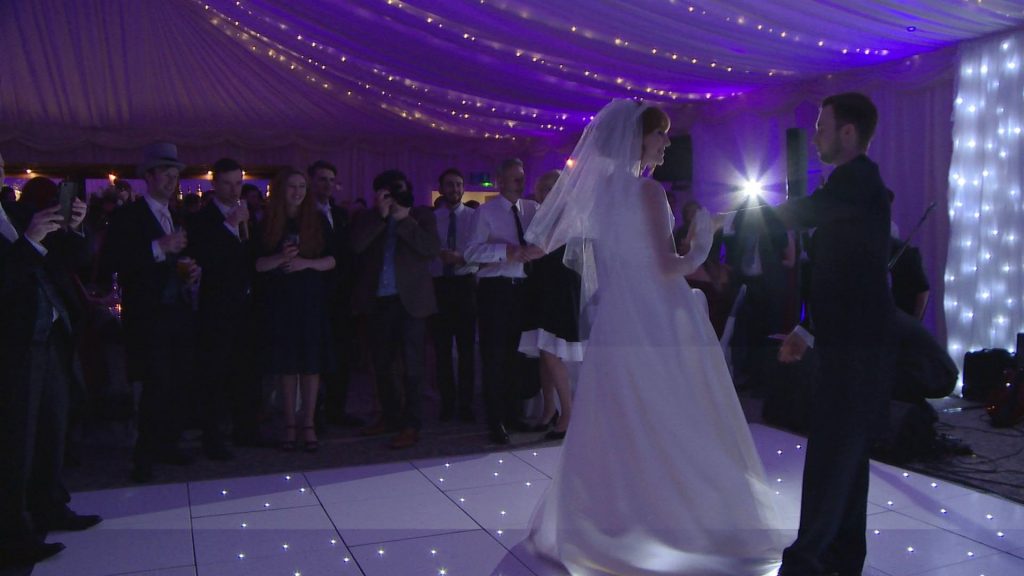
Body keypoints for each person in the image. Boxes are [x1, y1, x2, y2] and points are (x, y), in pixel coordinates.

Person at [521, 100, 783, 575]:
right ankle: (677, 516)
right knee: (675, 411)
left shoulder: (601, 192)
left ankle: (614, 516)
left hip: (617, 318)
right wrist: (703, 238)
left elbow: (561, 246)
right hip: (655, 316)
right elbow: (668, 266)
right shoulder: (647, 191)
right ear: (637, 139)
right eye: (659, 134)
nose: (666, 142)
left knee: (621, 414)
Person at [771, 92, 896, 576]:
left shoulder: (855, 180)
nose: (816, 136)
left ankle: (807, 563)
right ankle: (841, 560)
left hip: (856, 347)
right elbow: (840, 274)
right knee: (846, 457)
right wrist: (807, 329)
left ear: (848, 132)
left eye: (822, 127)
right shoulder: (856, 185)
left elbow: (805, 212)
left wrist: (736, 217)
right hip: (855, 341)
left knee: (832, 456)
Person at [0, 156, 101, 567]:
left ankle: (50, 507)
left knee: (51, 428)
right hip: (13, 343)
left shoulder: (15, 210)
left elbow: (65, 260)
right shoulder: (20, 221)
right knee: (15, 440)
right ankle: (12, 534)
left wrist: (74, 227)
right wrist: (30, 242)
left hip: (49, 334)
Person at [102, 142, 201, 483]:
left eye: (175, 175)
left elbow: (176, 260)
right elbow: (114, 261)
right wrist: (157, 247)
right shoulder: (128, 216)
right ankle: (143, 456)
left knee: (177, 381)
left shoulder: (177, 214)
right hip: (148, 314)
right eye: (165, 174)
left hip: (177, 310)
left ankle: (167, 443)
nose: (172, 181)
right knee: (154, 384)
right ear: (149, 176)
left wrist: (189, 270)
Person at [351, 170, 440, 449]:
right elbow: (356, 247)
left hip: (411, 302)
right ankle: (389, 417)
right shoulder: (368, 217)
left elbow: (430, 249)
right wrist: (381, 216)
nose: (395, 196)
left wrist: (404, 219)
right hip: (378, 301)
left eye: (399, 190)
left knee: (412, 365)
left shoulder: (421, 216)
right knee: (382, 364)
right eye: (389, 192)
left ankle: (412, 424)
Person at [254, 168, 336, 452]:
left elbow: (333, 260)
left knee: (311, 365)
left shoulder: (317, 220)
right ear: (281, 189)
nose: (298, 192)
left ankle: (308, 423)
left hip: (311, 299)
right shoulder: (267, 222)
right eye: (292, 186)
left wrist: (306, 263)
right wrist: (280, 258)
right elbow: (257, 265)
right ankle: (290, 424)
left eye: (302, 186)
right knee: (287, 366)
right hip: (280, 302)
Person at [464, 158, 540, 445]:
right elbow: (470, 252)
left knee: (517, 356)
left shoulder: (532, 209)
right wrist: (504, 252)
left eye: (522, 178)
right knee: (494, 355)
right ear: (500, 181)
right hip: (496, 289)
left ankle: (514, 413)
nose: (521, 183)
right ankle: (495, 418)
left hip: (524, 289)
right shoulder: (485, 212)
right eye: (515, 178)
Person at [188, 157, 260, 455]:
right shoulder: (202, 219)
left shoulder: (247, 214)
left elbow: (250, 256)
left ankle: (245, 429)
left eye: (238, 183)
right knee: (215, 372)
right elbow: (206, 257)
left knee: (245, 368)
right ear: (215, 184)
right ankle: (213, 436)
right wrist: (230, 226)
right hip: (216, 305)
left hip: (246, 302)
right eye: (228, 184)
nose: (234, 190)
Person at [518, 169, 578, 440]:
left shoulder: (568, 215)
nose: (546, 193)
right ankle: (548, 410)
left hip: (560, 287)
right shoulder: (542, 214)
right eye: (542, 188)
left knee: (552, 352)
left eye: (552, 188)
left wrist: (513, 255)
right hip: (541, 286)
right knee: (543, 351)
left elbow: (544, 248)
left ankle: (567, 415)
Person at [307, 160, 361, 428]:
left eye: (331, 180)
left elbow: (346, 252)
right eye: (322, 179)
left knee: (341, 352)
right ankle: (312, 413)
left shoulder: (339, 213)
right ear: (311, 182)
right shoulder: (303, 213)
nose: (327, 185)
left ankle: (336, 409)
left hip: (340, 293)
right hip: (314, 292)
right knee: (315, 354)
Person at [430, 168, 478, 422]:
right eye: (450, 184)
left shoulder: (474, 217)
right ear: (441, 188)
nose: (455, 189)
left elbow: (481, 250)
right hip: (439, 286)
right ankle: (447, 403)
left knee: (467, 348)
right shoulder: (431, 219)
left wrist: (462, 258)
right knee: (442, 349)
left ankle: (466, 404)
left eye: (459, 184)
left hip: (465, 285)